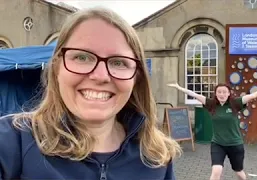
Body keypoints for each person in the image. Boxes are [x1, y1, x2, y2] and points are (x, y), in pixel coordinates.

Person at [0, 7, 182, 180]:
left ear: (136, 77)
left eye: (118, 62)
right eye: (82, 57)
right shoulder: (14, 139)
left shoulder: (157, 155)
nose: (101, 76)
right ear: (57, 67)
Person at [167, 80, 257, 180]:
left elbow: (255, 95)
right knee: (216, 170)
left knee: (239, 172)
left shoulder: (235, 103)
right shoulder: (211, 104)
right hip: (218, 143)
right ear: (216, 93)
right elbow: (193, 94)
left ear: (229, 93)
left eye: (224, 92)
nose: (222, 94)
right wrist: (179, 87)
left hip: (235, 144)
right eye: (219, 92)